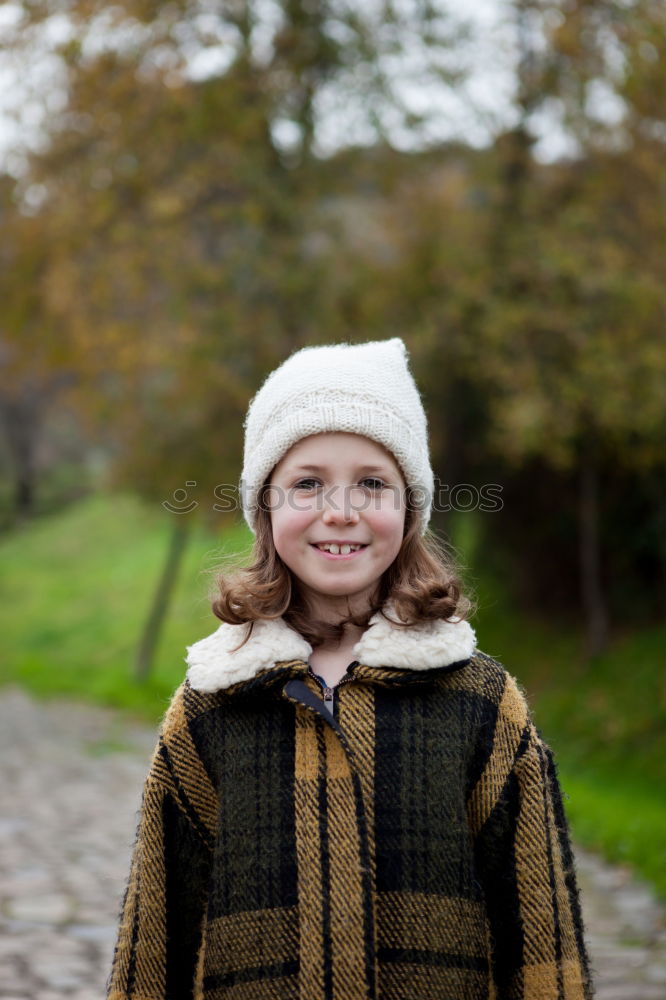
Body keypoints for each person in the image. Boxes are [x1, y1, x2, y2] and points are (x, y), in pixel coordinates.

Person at [107, 338, 593, 1000]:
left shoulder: (481, 703)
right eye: (307, 483)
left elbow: (543, 936)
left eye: (372, 482)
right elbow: (154, 937)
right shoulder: (212, 707)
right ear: (266, 507)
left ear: (410, 510)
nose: (341, 510)